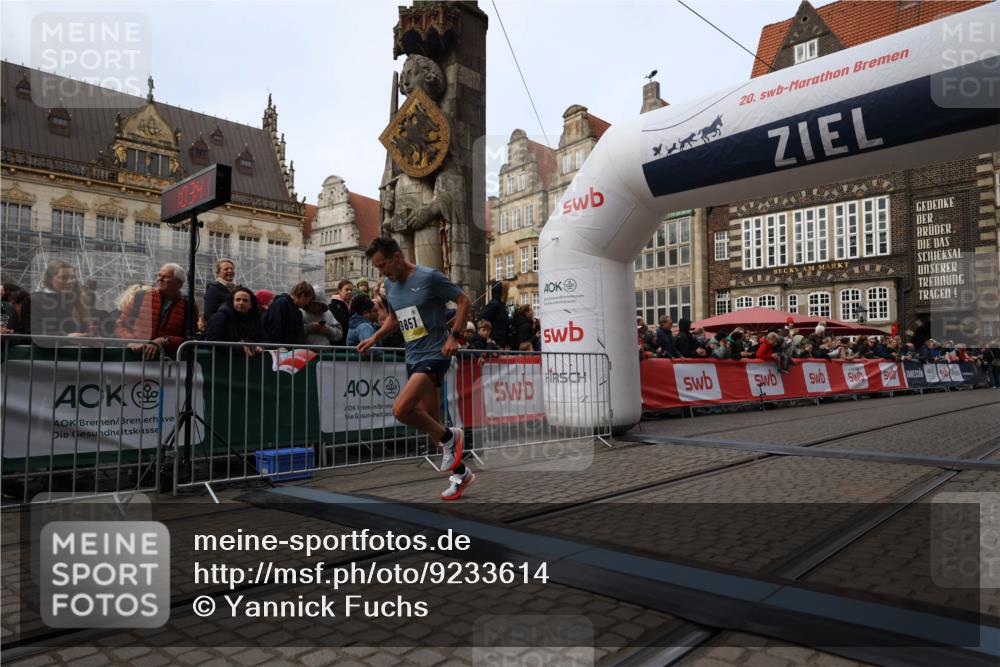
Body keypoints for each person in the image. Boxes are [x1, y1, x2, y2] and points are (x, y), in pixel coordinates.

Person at [357, 237, 473, 501]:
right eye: (377, 268)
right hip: (413, 355)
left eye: (383, 265)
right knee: (433, 424)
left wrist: (455, 336)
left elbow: (464, 301)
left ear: (397, 257)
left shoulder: (430, 277)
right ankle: (461, 474)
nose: (381, 272)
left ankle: (451, 437)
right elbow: (398, 317)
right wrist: (375, 337)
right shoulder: (390, 284)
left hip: (435, 352)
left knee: (401, 409)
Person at [115, 263, 191, 358]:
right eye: (159, 275)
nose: (159, 279)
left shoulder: (187, 305)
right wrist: (132, 341)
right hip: (135, 359)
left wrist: (164, 340)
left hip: (168, 362)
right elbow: (120, 325)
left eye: (165, 277)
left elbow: (189, 338)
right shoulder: (141, 297)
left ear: (179, 283)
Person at [32, 260, 95, 337]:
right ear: (50, 279)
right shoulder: (35, 300)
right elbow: (34, 334)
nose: (70, 281)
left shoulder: (72, 301)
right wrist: (66, 337)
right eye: (63, 277)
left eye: (73, 277)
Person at [205, 286, 264, 356]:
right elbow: (213, 341)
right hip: (224, 361)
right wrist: (240, 348)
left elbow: (265, 338)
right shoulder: (220, 317)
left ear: (251, 304)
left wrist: (258, 346)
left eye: (245, 300)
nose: (241, 303)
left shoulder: (257, 318)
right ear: (232, 302)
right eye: (237, 300)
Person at [262, 281, 314, 346]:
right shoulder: (281, 303)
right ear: (303, 296)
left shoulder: (297, 311)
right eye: (308, 300)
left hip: (289, 350)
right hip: (280, 350)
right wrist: (278, 346)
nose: (307, 303)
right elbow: (275, 326)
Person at [479, 281, 512, 350]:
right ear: (503, 291)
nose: (508, 293)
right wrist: (488, 337)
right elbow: (483, 320)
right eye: (507, 291)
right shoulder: (494, 304)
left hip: (501, 342)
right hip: (495, 342)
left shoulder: (501, 305)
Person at [328, 280, 354, 344]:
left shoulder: (353, 304)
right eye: (347, 289)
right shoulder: (333, 305)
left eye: (351, 290)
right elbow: (341, 322)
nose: (350, 292)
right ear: (340, 291)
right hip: (338, 342)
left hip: (348, 341)